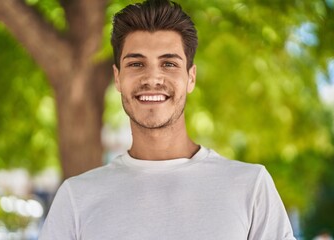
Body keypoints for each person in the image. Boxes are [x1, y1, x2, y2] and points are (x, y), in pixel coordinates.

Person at [39, 0, 296, 239]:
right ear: (117, 78)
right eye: (136, 64)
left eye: (169, 64)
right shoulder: (76, 198)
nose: (152, 78)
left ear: (191, 77)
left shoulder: (250, 188)